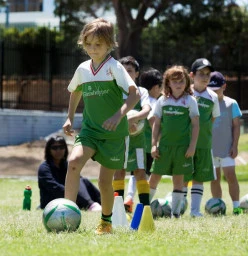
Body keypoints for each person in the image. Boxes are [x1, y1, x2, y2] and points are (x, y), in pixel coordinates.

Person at [62, 19, 140, 235]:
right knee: (74, 162)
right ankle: (67, 214)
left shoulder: (115, 68)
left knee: (105, 181)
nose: (92, 49)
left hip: (114, 135)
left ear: (109, 45)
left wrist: (119, 115)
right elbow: (75, 91)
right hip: (89, 130)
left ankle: (106, 222)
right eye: (88, 44)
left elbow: (135, 94)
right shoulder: (82, 68)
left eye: (98, 44)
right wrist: (69, 117)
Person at [149, 65, 199, 218]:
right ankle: (144, 208)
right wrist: (153, 145)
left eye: (182, 81)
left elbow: (196, 124)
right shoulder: (162, 101)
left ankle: (175, 214)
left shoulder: (190, 101)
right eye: (175, 81)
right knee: (154, 178)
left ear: (187, 82)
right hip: (164, 148)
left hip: (182, 149)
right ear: (168, 83)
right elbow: (156, 124)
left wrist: (192, 146)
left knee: (178, 181)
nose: (178, 84)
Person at [112, 56, 151, 213]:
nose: (126, 74)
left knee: (140, 172)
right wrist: (124, 123)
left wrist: (133, 119)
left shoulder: (142, 92)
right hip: (118, 139)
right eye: (123, 70)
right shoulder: (114, 91)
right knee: (119, 172)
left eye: (130, 71)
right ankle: (118, 211)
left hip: (138, 141)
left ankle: (145, 210)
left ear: (136, 74)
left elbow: (147, 110)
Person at [183, 58, 220, 217]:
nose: (205, 77)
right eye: (201, 74)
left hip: (204, 144)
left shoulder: (213, 97)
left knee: (199, 177)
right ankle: (178, 209)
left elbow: (213, 118)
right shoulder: (184, 93)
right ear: (192, 75)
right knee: (183, 176)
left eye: (207, 74)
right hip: (184, 144)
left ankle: (195, 211)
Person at [123, 68, 163, 211]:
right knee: (142, 173)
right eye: (160, 87)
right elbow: (152, 119)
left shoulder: (139, 96)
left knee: (136, 172)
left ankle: (129, 198)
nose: (161, 90)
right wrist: (158, 140)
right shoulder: (152, 101)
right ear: (155, 87)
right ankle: (141, 202)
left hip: (137, 142)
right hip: (146, 144)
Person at [208, 71, 243, 215]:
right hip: (210, 149)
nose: (215, 93)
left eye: (217, 90)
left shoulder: (231, 103)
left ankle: (236, 206)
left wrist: (234, 145)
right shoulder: (206, 104)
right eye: (211, 90)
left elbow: (236, 126)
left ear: (224, 86)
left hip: (227, 149)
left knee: (230, 176)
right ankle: (218, 206)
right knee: (214, 178)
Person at [38, 136, 101, 211]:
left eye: (61, 147)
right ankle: (90, 205)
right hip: (52, 202)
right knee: (77, 182)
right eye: (54, 148)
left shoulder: (67, 165)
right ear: (48, 150)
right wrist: (72, 193)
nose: (58, 150)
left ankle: (103, 202)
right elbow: (55, 189)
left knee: (83, 181)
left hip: (69, 199)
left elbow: (80, 185)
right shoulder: (44, 168)